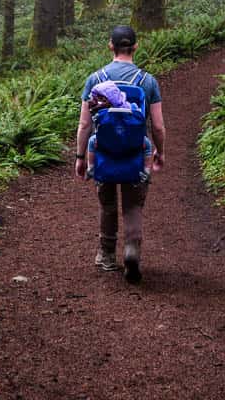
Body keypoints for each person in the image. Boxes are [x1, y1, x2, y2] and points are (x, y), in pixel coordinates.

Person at [75, 25, 166, 284]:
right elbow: (158, 126)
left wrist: (81, 157)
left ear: (110, 46)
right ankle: (131, 250)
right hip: (136, 155)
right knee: (133, 205)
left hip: (103, 153)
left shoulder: (95, 79)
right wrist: (160, 152)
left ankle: (106, 254)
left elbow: (84, 125)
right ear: (135, 47)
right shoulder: (147, 81)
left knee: (107, 204)